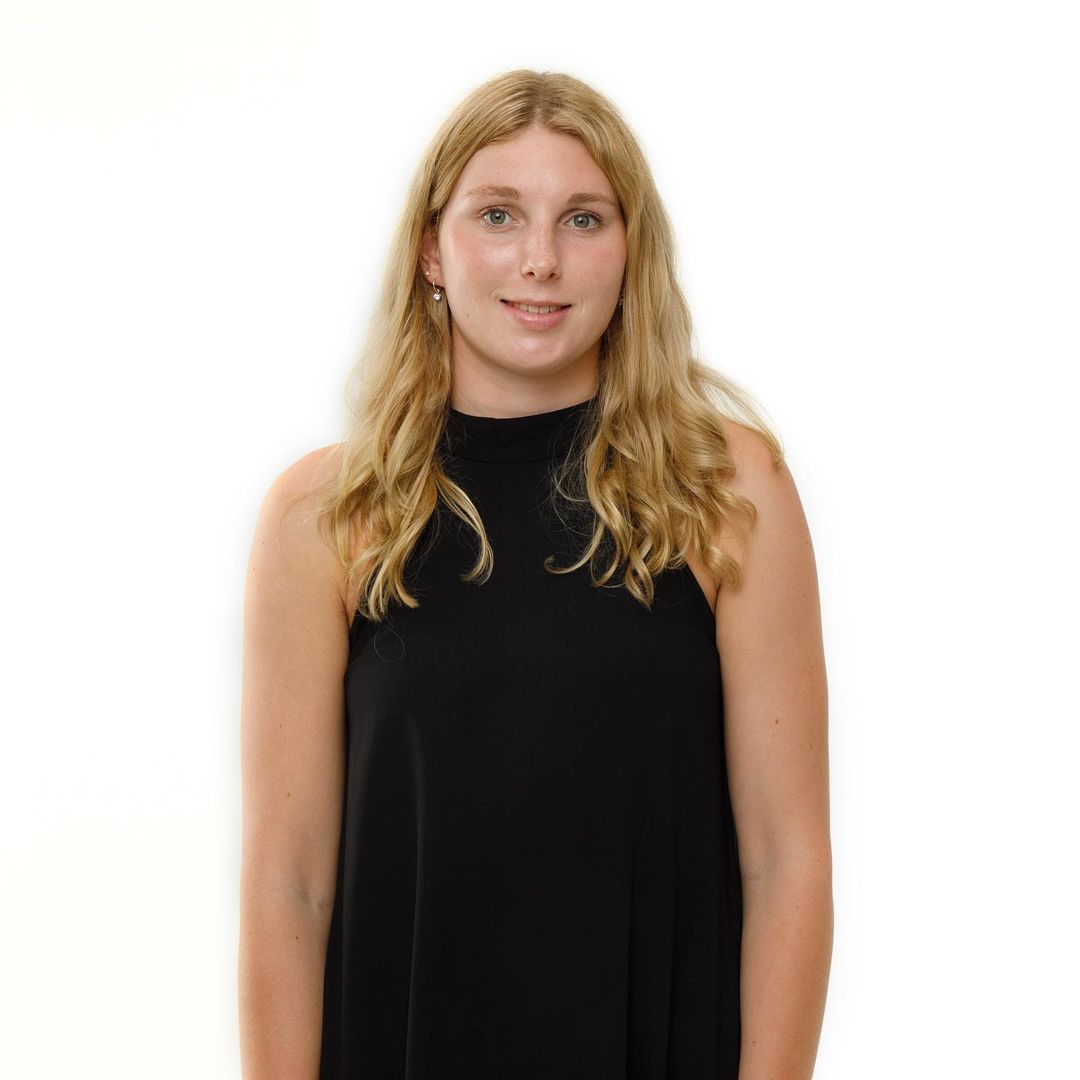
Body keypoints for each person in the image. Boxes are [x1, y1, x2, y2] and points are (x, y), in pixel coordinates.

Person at [238, 69, 832, 1079]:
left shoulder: (724, 488)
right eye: (499, 214)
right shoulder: (325, 516)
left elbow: (787, 861)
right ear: (432, 249)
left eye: (584, 219)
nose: (541, 260)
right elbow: (288, 886)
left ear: (631, 250)